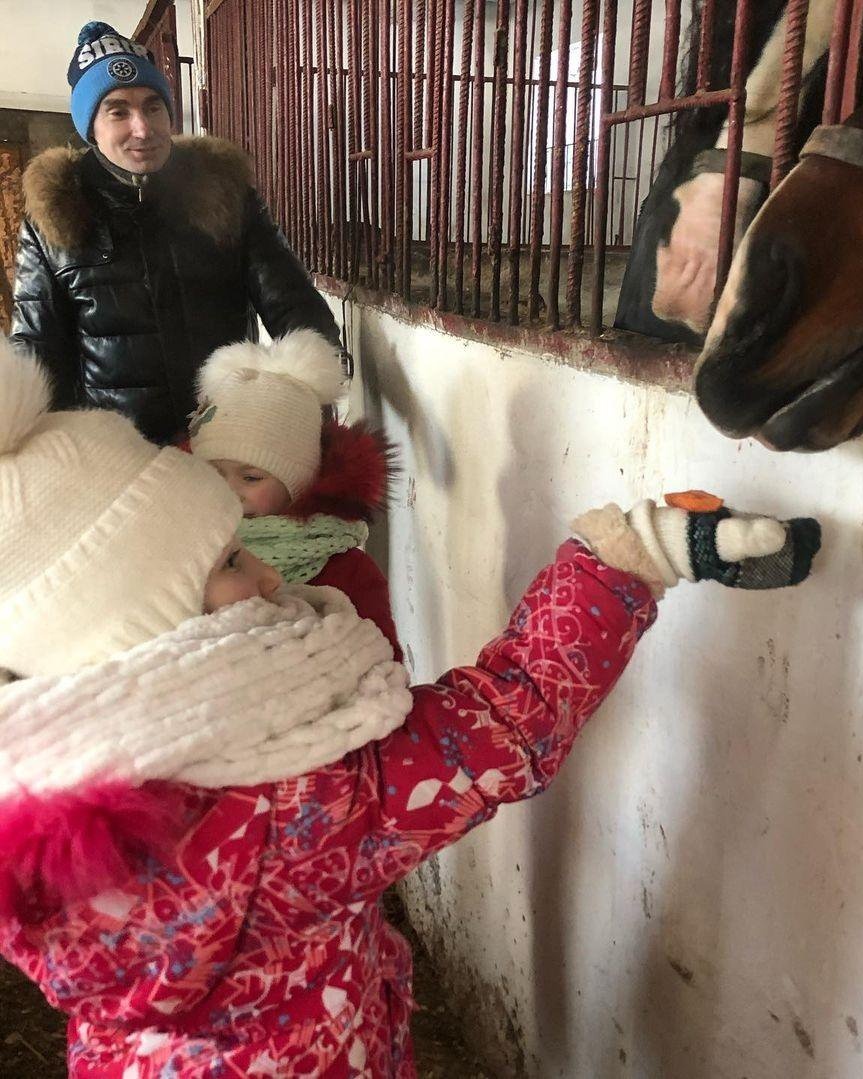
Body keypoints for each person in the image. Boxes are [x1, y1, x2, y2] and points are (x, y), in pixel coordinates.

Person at [0, 337, 820, 1076]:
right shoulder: (289, 811)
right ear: (144, 634)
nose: (271, 576)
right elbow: (500, 724)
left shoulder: (43, 802)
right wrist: (622, 561)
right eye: (226, 563)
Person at [8, 21, 341, 445]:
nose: (142, 128)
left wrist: (307, 395)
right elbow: (36, 352)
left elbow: (293, 306)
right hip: (118, 454)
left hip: (227, 440)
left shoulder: (222, 193)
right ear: (90, 127)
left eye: (152, 106)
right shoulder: (56, 213)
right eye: (118, 111)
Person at [189, 328, 403, 659]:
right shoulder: (189, 556)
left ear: (299, 483)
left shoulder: (347, 571)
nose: (229, 492)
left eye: (250, 477)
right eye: (214, 474)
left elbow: (383, 661)